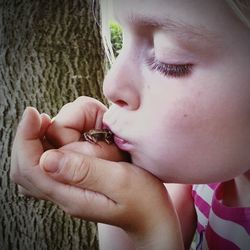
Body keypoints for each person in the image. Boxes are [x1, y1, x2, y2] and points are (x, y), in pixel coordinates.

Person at [10, 0, 250, 249]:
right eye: (121, 43)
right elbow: (137, 204)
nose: (110, 85)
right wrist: (114, 185)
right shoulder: (200, 179)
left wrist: (151, 231)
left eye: (168, 58)